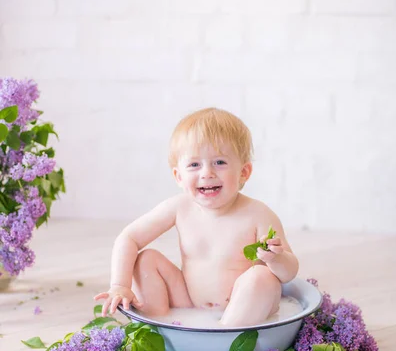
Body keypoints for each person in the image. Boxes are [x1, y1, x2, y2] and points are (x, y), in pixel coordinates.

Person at [95, 108, 299, 327]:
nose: (207, 173)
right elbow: (129, 238)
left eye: (220, 162)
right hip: (189, 301)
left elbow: (289, 273)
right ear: (179, 176)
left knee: (262, 276)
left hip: (243, 308)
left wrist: (275, 258)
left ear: (244, 172)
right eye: (194, 165)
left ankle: (227, 336)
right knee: (145, 259)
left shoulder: (258, 214)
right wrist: (120, 284)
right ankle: (158, 324)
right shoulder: (179, 207)